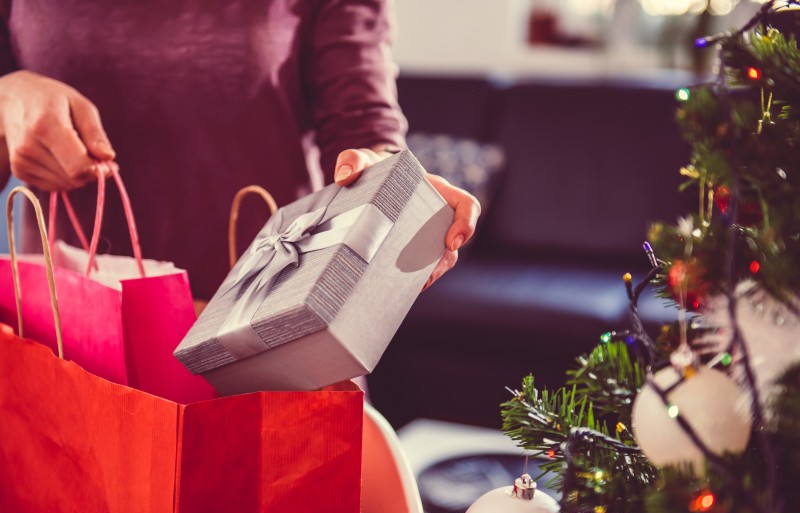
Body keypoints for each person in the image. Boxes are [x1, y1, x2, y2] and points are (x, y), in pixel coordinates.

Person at [0, 0, 479, 299]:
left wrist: (386, 184)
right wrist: (6, 101)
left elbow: (360, 122)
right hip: (71, 339)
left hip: (273, 326)